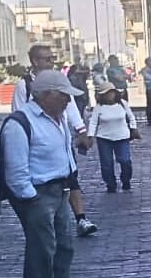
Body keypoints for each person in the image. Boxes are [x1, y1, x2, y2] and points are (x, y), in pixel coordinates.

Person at [0, 70, 88, 278]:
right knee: (42, 248)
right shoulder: (20, 123)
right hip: (37, 193)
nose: (68, 101)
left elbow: (64, 151)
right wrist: (31, 197)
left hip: (59, 189)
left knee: (64, 244)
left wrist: (70, 177)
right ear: (45, 95)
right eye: (63, 96)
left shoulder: (56, 118)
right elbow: (15, 169)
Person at [15, 45, 97, 237]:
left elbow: (71, 108)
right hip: (38, 142)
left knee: (71, 176)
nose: (52, 62)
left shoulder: (59, 79)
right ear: (35, 61)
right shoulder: (24, 85)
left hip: (60, 138)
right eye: (48, 59)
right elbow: (18, 115)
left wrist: (81, 130)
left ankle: (80, 218)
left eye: (52, 58)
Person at [86, 78, 139, 193]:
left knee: (125, 160)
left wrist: (133, 128)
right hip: (104, 137)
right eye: (107, 93)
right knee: (106, 163)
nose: (110, 95)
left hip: (122, 136)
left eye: (111, 92)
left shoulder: (122, 104)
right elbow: (93, 122)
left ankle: (126, 179)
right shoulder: (99, 107)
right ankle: (110, 183)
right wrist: (90, 135)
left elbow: (131, 117)